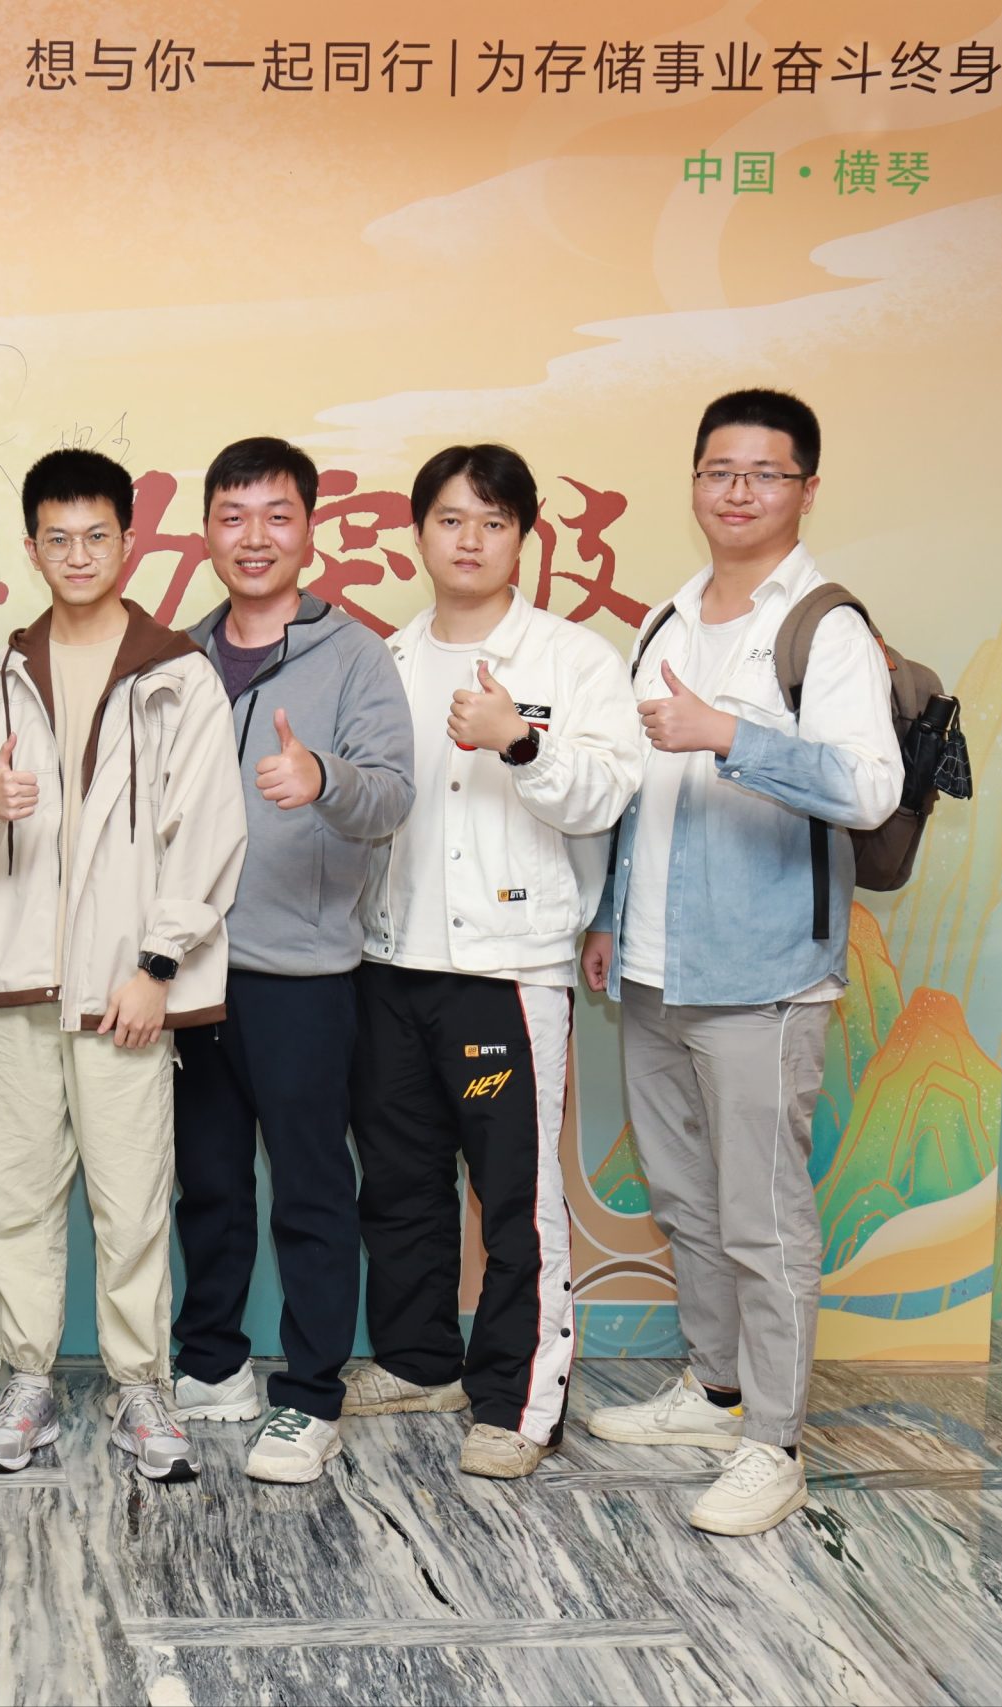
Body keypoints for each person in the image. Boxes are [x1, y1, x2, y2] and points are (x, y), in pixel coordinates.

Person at [581, 390, 898, 1535]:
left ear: (805, 488)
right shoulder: (669, 620)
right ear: (694, 482)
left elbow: (869, 787)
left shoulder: (823, 627)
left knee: (762, 1217)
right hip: (656, 966)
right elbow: (641, 791)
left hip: (763, 973)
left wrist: (729, 734)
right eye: (719, 470)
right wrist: (610, 916)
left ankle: (774, 1441)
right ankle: (714, 1391)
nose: (737, 492)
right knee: (684, 1195)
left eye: (763, 473)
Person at [0, 449, 246, 1484]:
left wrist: (158, 965)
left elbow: (209, 832)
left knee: (132, 1201)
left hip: (125, 989)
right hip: (19, 979)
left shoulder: (177, 675)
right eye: (57, 538)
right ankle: (25, 1382)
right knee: (11, 1199)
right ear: (31, 548)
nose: (77, 555)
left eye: (96, 536)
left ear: (128, 542)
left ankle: (141, 1389)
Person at [342, 444, 642, 1479]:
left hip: (505, 976)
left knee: (513, 1192)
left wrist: (521, 740)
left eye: (493, 522)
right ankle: (418, 1358)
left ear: (523, 537)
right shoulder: (381, 660)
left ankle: (520, 1400)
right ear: (417, 532)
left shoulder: (571, 659)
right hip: (389, 964)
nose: (469, 540)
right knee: (399, 1179)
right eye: (450, 519)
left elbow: (607, 795)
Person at [172, 436, 414, 1484]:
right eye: (233, 516)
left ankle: (311, 1394)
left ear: (310, 530)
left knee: (311, 1188)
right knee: (207, 1182)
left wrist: (321, 777)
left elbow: (391, 795)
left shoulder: (355, 655)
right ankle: (211, 1363)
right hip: (190, 969)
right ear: (206, 533)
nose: (254, 536)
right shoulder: (178, 655)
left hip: (303, 975)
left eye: (277, 515)